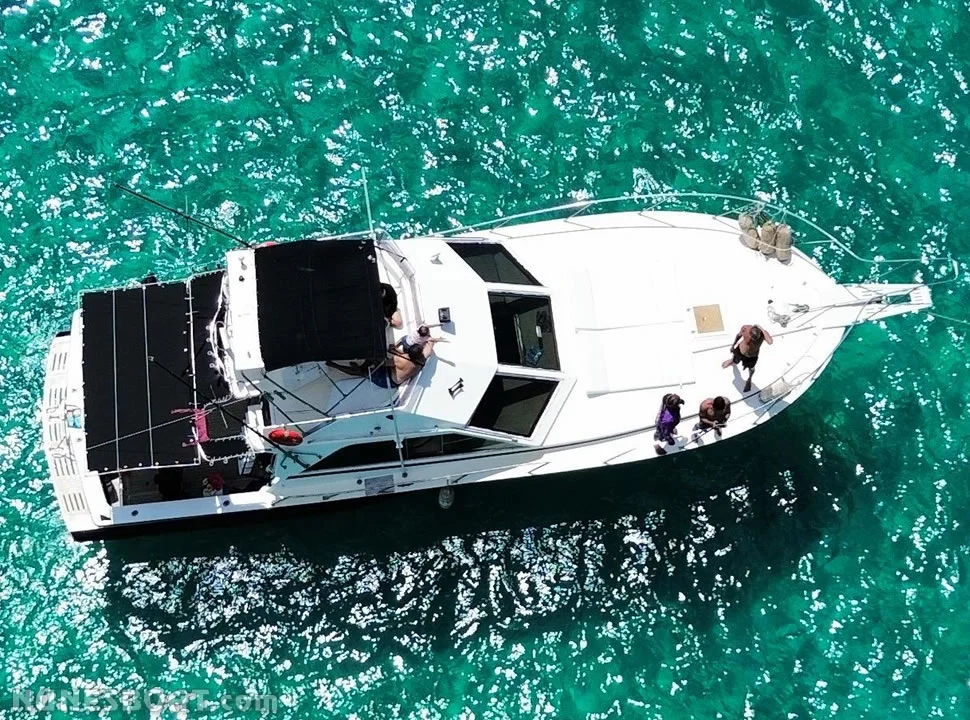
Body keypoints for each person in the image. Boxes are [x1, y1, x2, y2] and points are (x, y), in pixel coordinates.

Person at [327, 342, 434, 388]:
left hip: (388, 381)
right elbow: (430, 345)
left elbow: (383, 364)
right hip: (393, 372)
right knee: (371, 359)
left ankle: (335, 365)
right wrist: (431, 341)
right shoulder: (422, 358)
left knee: (361, 372)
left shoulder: (401, 360)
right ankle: (363, 366)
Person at [722, 324, 773, 392]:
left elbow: (770, 342)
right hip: (740, 350)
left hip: (752, 356)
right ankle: (732, 360)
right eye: (751, 337)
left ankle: (749, 379)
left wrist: (761, 329)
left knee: (751, 368)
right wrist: (733, 345)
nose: (752, 340)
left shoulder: (763, 334)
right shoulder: (745, 328)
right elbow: (738, 335)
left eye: (755, 339)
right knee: (735, 359)